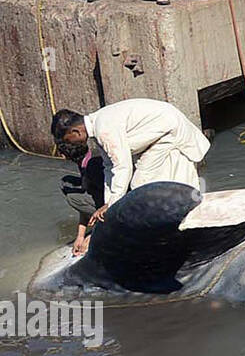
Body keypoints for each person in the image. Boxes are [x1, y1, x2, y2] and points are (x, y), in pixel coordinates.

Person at [50, 99, 211, 221]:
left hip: (170, 129)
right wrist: (109, 204)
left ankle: (175, 217)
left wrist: (112, 205)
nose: (70, 144)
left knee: (140, 183)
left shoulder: (103, 128)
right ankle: (178, 212)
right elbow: (109, 167)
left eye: (68, 139)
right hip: (164, 129)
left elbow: (122, 167)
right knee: (145, 181)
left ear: (76, 131)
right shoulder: (98, 127)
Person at [57, 138, 105, 257]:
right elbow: (89, 196)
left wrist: (92, 236)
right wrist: (80, 236)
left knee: (72, 198)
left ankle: (100, 225)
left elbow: (107, 202)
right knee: (66, 182)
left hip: (110, 204)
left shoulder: (92, 167)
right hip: (101, 194)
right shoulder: (88, 159)